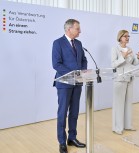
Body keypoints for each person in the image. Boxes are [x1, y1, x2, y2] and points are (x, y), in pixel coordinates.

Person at [52, 19, 88, 153]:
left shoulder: (78, 43)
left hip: (77, 83)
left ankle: (72, 138)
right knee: (62, 113)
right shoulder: (58, 43)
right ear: (69, 29)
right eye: (77, 28)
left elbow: (83, 60)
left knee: (74, 112)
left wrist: (82, 72)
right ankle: (62, 141)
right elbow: (56, 64)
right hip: (64, 84)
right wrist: (73, 74)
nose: (80, 31)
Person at [111, 30, 139, 135]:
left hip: (129, 78)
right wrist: (123, 56)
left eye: (128, 36)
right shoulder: (115, 49)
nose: (127, 38)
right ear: (120, 37)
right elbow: (114, 64)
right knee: (119, 104)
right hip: (120, 79)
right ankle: (117, 128)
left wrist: (138, 58)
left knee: (128, 103)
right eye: (125, 36)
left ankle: (128, 125)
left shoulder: (130, 49)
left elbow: (134, 63)